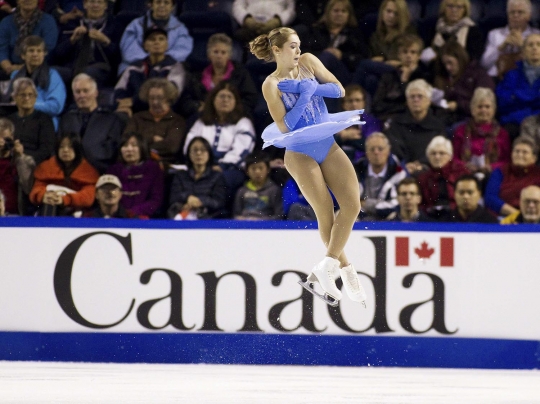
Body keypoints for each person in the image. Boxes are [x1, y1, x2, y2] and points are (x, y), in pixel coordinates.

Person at [250, 26, 366, 305]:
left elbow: (338, 90)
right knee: (325, 211)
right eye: (292, 46)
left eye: (298, 44)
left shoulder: (309, 62)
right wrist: (304, 96)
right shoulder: (271, 84)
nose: (298, 50)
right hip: (299, 153)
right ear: (277, 50)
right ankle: (345, 271)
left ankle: (327, 267)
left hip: (328, 143)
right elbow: (285, 126)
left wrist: (310, 86)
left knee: (352, 206)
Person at [182, 81, 255, 200]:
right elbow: (189, 146)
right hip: (200, 165)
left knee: (220, 180)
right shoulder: (201, 122)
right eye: (221, 96)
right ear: (213, 100)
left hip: (230, 169)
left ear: (235, 102)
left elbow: (241, 151)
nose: (225, 100)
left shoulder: (243, 123)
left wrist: (221, 166)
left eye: (229, 97)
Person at [115, 26, 187, 117]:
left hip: (163, 113)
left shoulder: (176, 67)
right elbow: (119, 91)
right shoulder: (134, 67)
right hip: (134, 113)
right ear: (145, 45)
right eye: (152, 39)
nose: (157, 42)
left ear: (167, 45)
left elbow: (170, 95)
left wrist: (133, 101)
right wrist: (122, 105)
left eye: (161, 39)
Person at [60, 73, 123, 173]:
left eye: (86, 91)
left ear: (96, 93)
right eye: (78, 92)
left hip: (99, 169)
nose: (82, 95)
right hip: (68, 170)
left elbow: (112, 151)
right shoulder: (67, 118)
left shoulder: (111, 119)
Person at [52, 0, 122, 88]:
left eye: (100, 2)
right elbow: (58, 53)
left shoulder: (114, 25)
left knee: (85, 75)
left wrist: (105, 41)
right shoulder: (72, 23)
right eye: (92, 2)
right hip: (72, 66)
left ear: (106, 6)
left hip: (101, 67)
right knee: (51, 72)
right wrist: (72, 40)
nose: (95, 5)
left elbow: (119, 57)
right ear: (85, 4)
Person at [353, 0, 415, 96]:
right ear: (382, 12)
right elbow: (373, 56)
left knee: (363, 64)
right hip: (382, 73)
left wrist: (387, 61)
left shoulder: (407, 34)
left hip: (400, 72)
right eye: (388, 11)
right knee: (370, 80)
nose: (391, 16)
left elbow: (410, 58)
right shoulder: (377, 35)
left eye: (396, 13)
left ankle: (349, 96)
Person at [384, 79, 446, 175]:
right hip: (402, 170)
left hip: (430, 170)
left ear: (429, 101)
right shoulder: (396, 123)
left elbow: (439, 150)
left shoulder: (438, 126)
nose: (416, 100)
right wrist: (406, 165)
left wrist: (422, 164)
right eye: (412, 97)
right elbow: (394, 148)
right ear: (407, 101)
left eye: (420, 96)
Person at [187, 33, 258, 116]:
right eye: (215, 52)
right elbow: (186, 100)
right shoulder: (197, 75)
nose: (219, 56)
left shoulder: (241, 74)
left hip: (234, 118)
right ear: (209, 54)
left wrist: (232, 108)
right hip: (204, 118)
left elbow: (250, 99)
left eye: (223, 52)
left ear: (229, 55)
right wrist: (197, 106)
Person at [30, 132, 99, 216]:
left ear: (77, 149)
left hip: (77, 211)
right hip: (49, 209)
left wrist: (65, 199)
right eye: (61, 147)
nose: (65, 150)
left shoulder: (88, 171)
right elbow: (36, 189)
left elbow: (88, 197)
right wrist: (43, 196)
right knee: (50, 201)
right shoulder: (47, 167)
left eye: (70, 147)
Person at [118, 0, 193, 75]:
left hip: (167, 68)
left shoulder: (180, 28)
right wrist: (150, 61)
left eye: (166, 3)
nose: (162, 5)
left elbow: (181, 52)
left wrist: (160, 61)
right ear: (151, 5)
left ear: (172, 7)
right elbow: (129, 52)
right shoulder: (135, 25)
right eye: (158, 2)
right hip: (137, 67)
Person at [303, 0, 368, 86]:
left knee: (328, 56)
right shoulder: (317, 31)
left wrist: (342, 56)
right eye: (336, 11)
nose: (339, 14)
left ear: (349, 14)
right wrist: (323, 53)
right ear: (328, 12)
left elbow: (362, 59)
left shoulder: (354, 34)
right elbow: (306, 52)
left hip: (343, 75)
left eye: (343, 11)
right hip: (319, 69)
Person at [124, 78, 186, 165]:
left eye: (160, 98)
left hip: (164, 164)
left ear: (169, 99)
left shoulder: (177, 121)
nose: (155, 102)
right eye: (151, 98)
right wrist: (152, 139)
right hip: (136, 163)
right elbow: (126, 141)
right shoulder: (137, 118)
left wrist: (139, 144)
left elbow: (171, 147)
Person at [10, 35, 66, 130]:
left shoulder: (52, 76)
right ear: (23, 55)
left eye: (39, 51)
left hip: (44, 122)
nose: (35, 54)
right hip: (19, 120)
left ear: (44, 54)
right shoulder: (15, 76)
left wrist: (28, 104)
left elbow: (56, 107)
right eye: (31, 51)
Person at [452, 87, 511, 177]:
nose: (484, 110)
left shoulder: (502, 133)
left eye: (487, 107)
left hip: (493, 175)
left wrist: (492, 167)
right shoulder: (461, 131)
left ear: (494, 110)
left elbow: (506, 161)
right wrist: (464, 165)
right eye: (480, 107)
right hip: (465, 173)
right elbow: (454, 158)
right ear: (472, 109)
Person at [372, 33, 432, 121]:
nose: (409, 55)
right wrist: (401, 106)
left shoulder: (424, 76)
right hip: (388, 118)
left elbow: (419, 105)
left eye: (413, 52)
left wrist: (404, 81)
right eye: (405, 52)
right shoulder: (388, 76)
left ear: (418, 56)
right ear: (399, 55)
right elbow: (377, 105)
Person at [433, 41, 494, 124]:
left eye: (450, 63)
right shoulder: (443, 77)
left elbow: (484, 103)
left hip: (470, 119)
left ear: (460, 59)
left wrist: (458, 105)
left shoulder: (478, 74)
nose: (447, 67)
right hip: (447, 117)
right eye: (445, 64)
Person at [168, 136, 227, 219]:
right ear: (189, 154)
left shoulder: (217, 176)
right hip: (183, 217)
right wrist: (188, 197)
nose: (199, 153)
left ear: (209, 154)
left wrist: (200, 201)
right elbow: (174, 197)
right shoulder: (180, 176)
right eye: (195, 150)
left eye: (203, 150)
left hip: (208, 220)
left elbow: (219, 202)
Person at [107, 133, 164, 218]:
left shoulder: (153, 169)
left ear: (142, 148)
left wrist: (133, 212)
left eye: (134, 145)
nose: (129, 149)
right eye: (125, 145)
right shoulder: (114, 170)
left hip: (145, 219)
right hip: (117, 217)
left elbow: (156, 201)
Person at [0, 0, 59, 79]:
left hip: (40, 66)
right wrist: (8, 67)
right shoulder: (6, 22)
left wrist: (22, 67)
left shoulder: (48, 21)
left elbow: (48, 49)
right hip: (11, 68)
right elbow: (2, 48)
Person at [354, 132, 406, 221]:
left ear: (388, 150)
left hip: (387, 216)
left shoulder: (398, 171)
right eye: (372, 149)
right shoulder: (356, 170)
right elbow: (349, 201)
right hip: (359, 215)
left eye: (380, 149)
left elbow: (398, 203)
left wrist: (366, 204)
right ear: (366, 152)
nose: (376, 152)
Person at [481, 0, 539, 79]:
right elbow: (484, 64)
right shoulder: (494, 34)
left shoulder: (537, 35)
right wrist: (501, 47)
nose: (515, 15)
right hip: (497, 78)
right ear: (507, 15)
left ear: (529, 16)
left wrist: (522, 46)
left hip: (527, 78)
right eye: (512, 12)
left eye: (520, 12)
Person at [496, 34, 540, 138]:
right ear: (523, 52)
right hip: (514, 122)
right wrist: (535, 97)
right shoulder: (511, 75)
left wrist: (517, 95)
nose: (535, 48)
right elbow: (503, 102)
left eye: (539, 45)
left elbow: (512, 98)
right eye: (530, 45)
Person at [484, 136, 540, 216]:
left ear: (534, 158)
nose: (519, 155)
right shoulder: (500, 172)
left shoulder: (538, 174)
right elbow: (490, 198)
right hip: (503, 217)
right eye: (516, 151)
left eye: (525, 152)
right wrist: (516, 215)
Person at [417, 135, 470, 219]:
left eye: (442, 153)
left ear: (450, 156)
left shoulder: (461, 173)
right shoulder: (423, 178)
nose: (437, 157)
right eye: (433, 153)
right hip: (430, 218)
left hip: (458, 216)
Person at [8, 77, 55, 166]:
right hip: (10, 161)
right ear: (14, 97)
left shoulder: (44, 120)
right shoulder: (9, 120)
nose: (27, 98)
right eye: (23, 95)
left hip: (34, 163)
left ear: (35, 97)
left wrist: (23, 155)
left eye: (30, 95)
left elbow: (46, 150)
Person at [420, 0, 484, 64]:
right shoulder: (432, 27)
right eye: (450, 6)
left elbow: (473, 57)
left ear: (465, 10)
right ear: (443, 8)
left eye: (459, 7)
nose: (454, 10)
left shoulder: (473, 31)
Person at [335, 84, 380, 162]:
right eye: (350, 101)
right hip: (337, 160)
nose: (354, 104)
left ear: (364, 103)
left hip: (363, 162)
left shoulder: (372, 122)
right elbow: (326, 145)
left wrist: (345, 136)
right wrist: (342, 137)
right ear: (343, 104)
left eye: (357, 100)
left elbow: (370, 145)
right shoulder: (334, 121)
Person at [233, 150, 283, 220]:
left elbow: (278, 216)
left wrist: (261, 220)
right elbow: (237, 214)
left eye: (261, 168)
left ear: (268, 169)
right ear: (247, 171)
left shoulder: (274, 190)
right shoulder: (242, 191)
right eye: (253, 168)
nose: (257, 172)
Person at [0, 117, 35, 215]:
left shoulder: (26, 160)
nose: (1, 142)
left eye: (5, 138)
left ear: (12, 138)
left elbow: (28, 188)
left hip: (15, 215)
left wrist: (20, 158)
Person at [232, 0, 297, 43]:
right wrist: (246, 19)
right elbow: (238, 5)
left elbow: (291, 9)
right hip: (250, 27)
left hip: (276, 27)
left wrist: (278, 20)